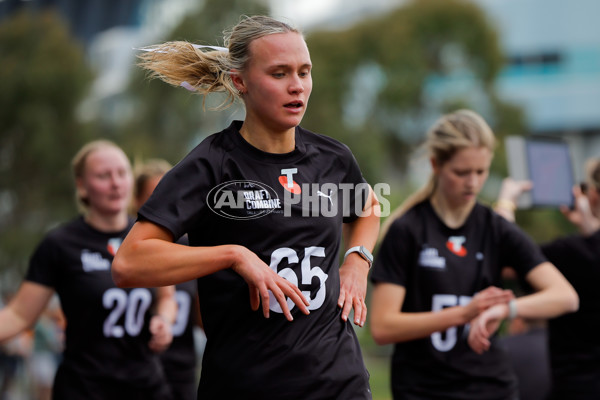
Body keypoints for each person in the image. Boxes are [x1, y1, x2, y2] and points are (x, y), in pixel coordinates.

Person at [112, 14, 380, 400]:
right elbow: (128, 263)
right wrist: (233, 256)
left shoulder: (332, 158)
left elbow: (368, 206)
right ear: (241, 82)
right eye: (279, 73)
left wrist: (357, 259)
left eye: (304, 72)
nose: (297, 86)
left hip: (340, 383)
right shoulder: (210, 165)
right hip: (248, 385)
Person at [369, 109, 579, 400]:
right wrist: (463, 314)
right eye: (462, 172)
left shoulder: (496, 228)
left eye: (481, 172)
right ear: (436, 165)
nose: (473, 182)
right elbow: (382, 326)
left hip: (490, 388)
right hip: (423, 389)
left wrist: (506, 309)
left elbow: (565, 296)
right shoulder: (408, 230)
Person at [0, 140, 177, 400]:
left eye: (121, 173)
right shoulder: (60, 244)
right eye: (103, 176)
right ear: (82, 185)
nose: (115, 183)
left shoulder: (149, 238)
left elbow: (166, 297)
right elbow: (18, 314)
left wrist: (164, 321)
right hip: (84, 388)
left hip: (146, 386)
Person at [495, 158, 600, 399]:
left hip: (578, 388)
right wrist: (588, 227)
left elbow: (509, 258)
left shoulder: (573, 253)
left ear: (593, 195)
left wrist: (506, 203)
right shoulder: (582, 252)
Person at [133, 159, 201, 400]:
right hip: (134, 370)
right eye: (154, 196)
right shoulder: (127, 253)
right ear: (136, 201)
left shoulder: (192, 249)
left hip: (179, 370)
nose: (164, 205)